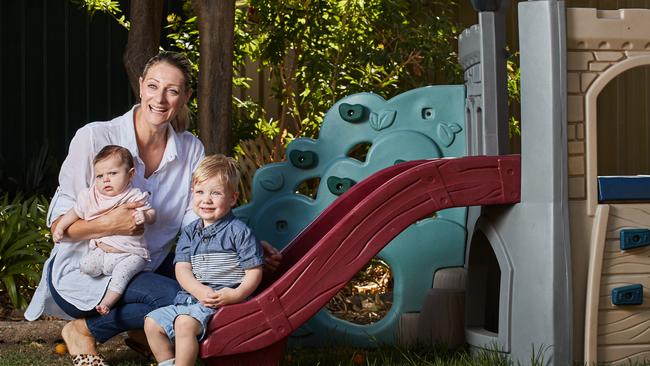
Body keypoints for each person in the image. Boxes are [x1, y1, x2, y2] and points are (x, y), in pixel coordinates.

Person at [24, 51, 282, 366]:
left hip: (147, 263)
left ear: (185, 96)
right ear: (141, 84)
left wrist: (245, 245)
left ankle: (141, 332)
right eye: (153, 86)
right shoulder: (96, 137)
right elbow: (58, 228)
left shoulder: (190, 149)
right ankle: (84, 330)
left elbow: (199, 218)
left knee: (216, 277)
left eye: (172, 90)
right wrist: (113, 225)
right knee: (179, 298)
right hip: (87, 268)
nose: (160, 98)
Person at [145, 154, 263, 366]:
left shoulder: (238, 232)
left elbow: (254, 271)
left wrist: (236, 294)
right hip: (192, 300)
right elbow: (182, 268)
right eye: (200, 192)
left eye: (216, 193)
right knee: (152, 322)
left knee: (183, 324)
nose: (206, 199)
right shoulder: (190, 232)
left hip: (224, 303)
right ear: (192, 194)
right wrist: (198, 290)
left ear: (233, 198)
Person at [52, 145, 157, 315]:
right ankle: (100, 278)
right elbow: (74, 212)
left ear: (130, 175)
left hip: (130, 254)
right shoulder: (91, 196)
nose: (105, 180)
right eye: (100, 176)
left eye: (112, 174)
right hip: (103, 251)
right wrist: (61, 228)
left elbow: (152, 213)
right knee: (87, 266)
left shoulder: (133, 195)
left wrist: (145, 216)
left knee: (121, 275)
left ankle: (106, 303)